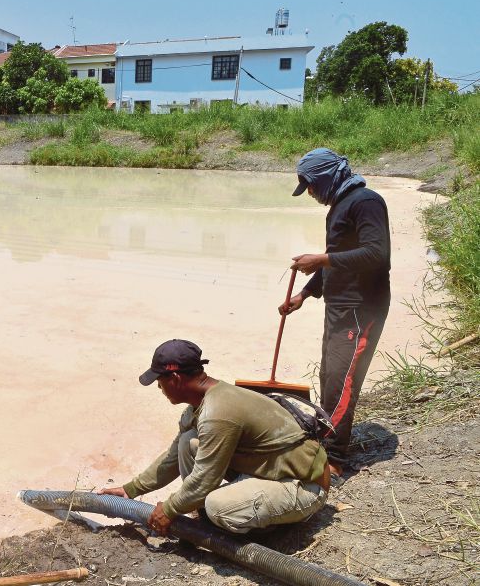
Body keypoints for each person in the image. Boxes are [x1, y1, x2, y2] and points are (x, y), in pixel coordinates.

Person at [100, 339, 330, 536]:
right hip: (271, 473)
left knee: (217, 506)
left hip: (306, 487)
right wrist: (131, 489)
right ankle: (220, 515)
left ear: (176, 379)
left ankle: (259, 531)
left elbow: (204, 479)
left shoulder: (218, 413)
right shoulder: (203, 403)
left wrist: (169, 509)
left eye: (159, 382)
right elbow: (172, 458)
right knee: (188, 442)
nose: (159, 388)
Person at [280, 148, 391, 478]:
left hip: (361, 307)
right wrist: (305, 293)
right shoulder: (340, 206)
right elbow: (339, 257)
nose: (311, 193)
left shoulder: (366, 201)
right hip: (339, 308)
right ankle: (325, 442)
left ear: (328, 177)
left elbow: (376, 253)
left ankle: (335, 460)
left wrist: (321, 259)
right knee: (329, 378)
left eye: (311, 186)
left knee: (342, 383)